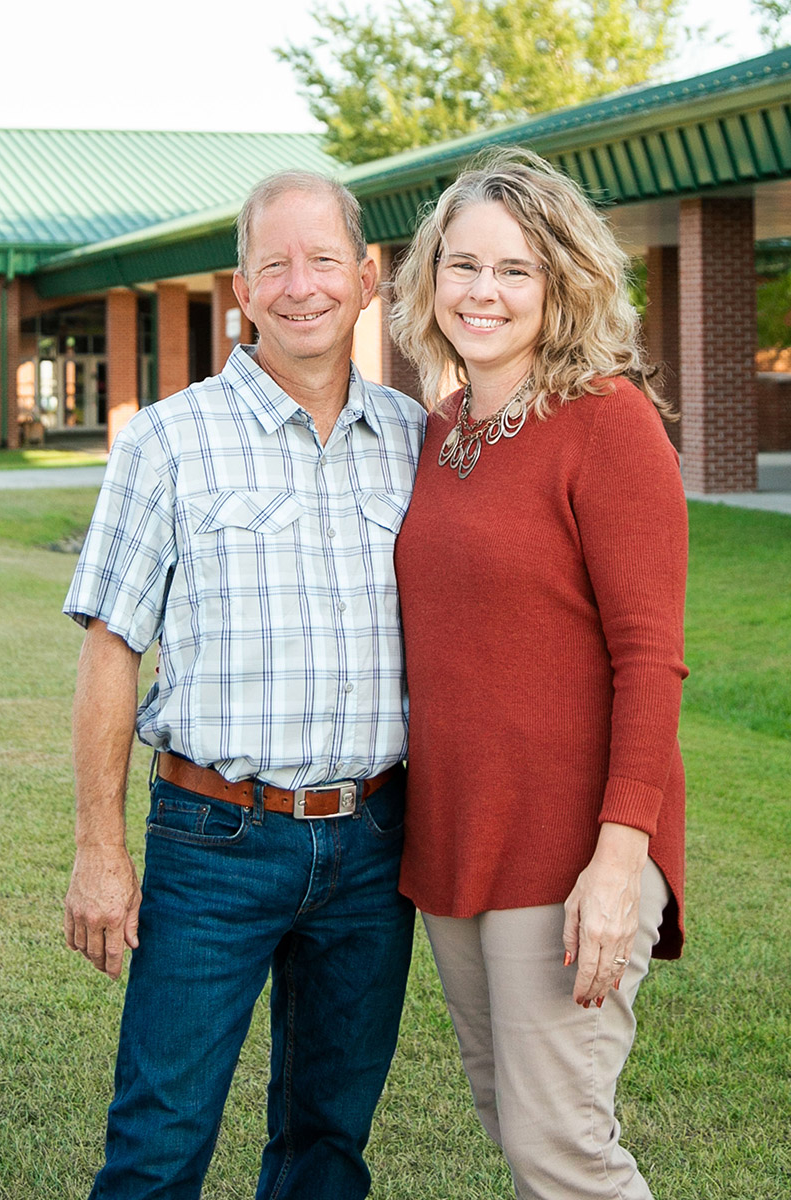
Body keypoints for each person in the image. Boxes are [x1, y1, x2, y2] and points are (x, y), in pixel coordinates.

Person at [62, 169, 425, 1200]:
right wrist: (99, 853)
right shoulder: (169, 440)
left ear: (366, 280)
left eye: (322, 261)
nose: (299, 285)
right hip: (212, 842)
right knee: (158, 1142)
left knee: (326, 1144)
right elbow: (109, 649)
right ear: (241, 287)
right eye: (275, 264)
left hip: (371, 845)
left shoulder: (414, 442)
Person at [390, 149, 688, 1199]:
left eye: (513, 269)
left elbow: (650, 659)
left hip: (570, 847)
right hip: (456, 837)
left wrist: (620, 863)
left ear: (561, 281)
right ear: (428, 277)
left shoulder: (607, 423)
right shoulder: (443, 432)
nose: (481, 292)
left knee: (560, 1149)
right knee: (512, 1123)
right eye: (460, 264)